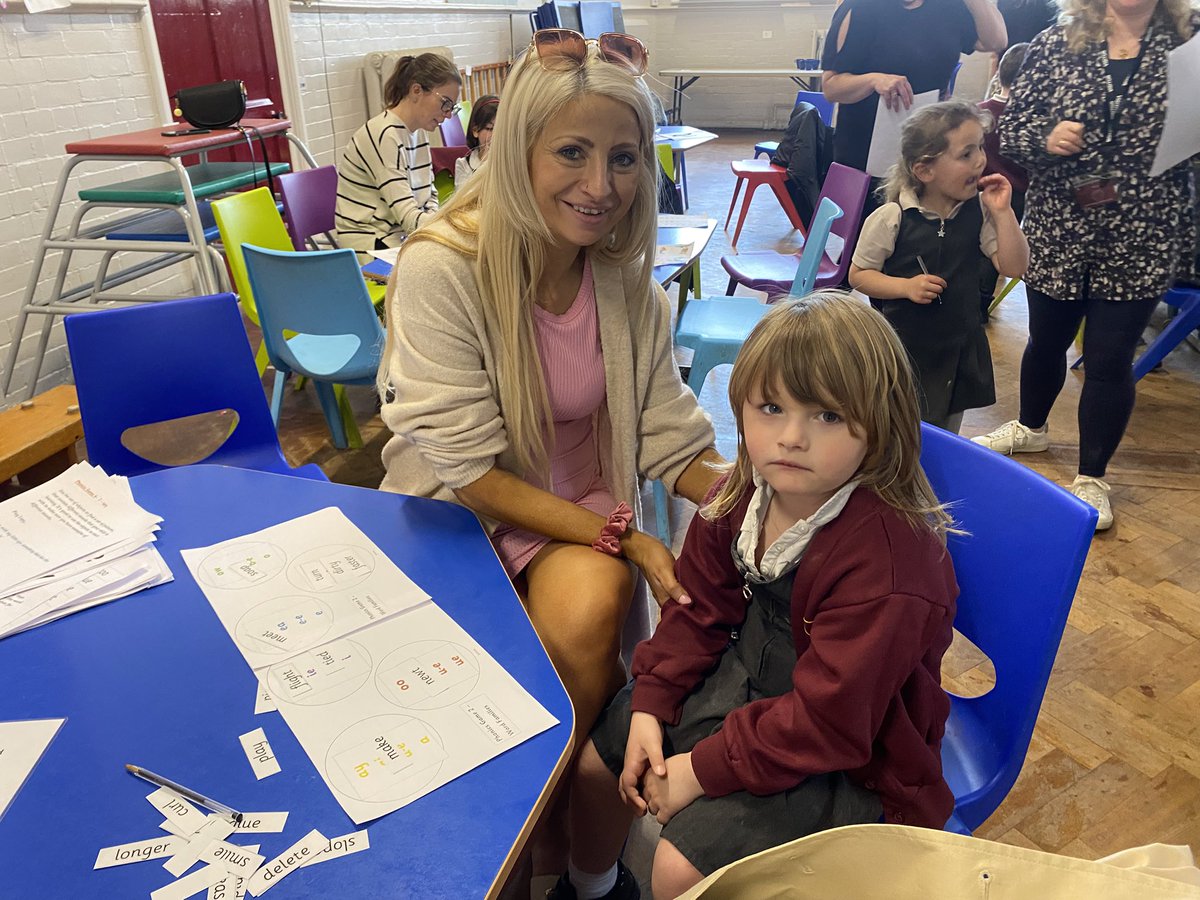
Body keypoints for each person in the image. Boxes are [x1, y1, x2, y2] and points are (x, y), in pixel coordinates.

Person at [376, 27, 721, 882]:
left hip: (579, 514)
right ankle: (540, 841)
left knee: (583, 625)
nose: (600, 186)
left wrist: (771, 491)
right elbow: (470, 471)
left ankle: (565, 851)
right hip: (465, 513)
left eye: (625, 159)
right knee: (536, 672)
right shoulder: (442, 269)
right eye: (573, 152)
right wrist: (633, 536)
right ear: (517, 148)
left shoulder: (623, 281)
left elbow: (669, 431)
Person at [550, 292, 959, 900]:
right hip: (749, 683)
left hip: (853, 756)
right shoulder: (739, 496)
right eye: (771, 407)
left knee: (683, 868)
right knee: (593, 762)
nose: (790, 437)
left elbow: (832, 722)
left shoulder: (890, 565)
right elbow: (697, 612)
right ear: (740, 407)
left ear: (882, 422)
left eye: (827, 416)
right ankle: (595, 888)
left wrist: (697, 771)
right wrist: (650, 703)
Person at [971, 0, 1200, 531]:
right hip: (1061, 224)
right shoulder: (1058, 42)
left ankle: (1092, 476)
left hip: (1143, 230)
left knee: (1109, 358)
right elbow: (1013, 131)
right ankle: (1030, 427)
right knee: (1046, 340)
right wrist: (1046, 139)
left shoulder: (1190, 45)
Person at [848, 100, 1030, 433]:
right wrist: (905, 287)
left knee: (945, 433)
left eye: (980, 149)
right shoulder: (894, 217)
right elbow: (859, 275)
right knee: (897, 431)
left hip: (957, 347)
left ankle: (929, 485)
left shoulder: (979, 213)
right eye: (965, 154)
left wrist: (1004, 213)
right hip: (904, 350)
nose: (979, 161)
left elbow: (1015, 266)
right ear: (924, 170)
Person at [821, 0, 1008, 216]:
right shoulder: (860, 7)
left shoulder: (948, 7)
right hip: (867, 150)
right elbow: (831, 87)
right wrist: (873, 80)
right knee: (873, 232)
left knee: (920, 229)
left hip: (929, 147)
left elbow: (996, 41)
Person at [335, 53, 462, 256]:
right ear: (416, 90)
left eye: (451, 107)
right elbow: (407, 217)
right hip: (370, 242)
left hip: (398, 236)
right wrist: (452, 231)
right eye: (445, 103)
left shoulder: (418, 132)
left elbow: (429, 196)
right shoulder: (384, 134)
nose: (448, 114)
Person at [979, 42, 1031, 320]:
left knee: (982, 244)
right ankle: (983, 299)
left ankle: (978, 297)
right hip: (1014, 194)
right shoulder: (1029, 120)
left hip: (975, 188)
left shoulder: (979, 111)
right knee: (997, 246)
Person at [454, 94, 499, 187]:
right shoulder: (463, 165)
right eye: (490, 128)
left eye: (501, 128)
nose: (496, 135)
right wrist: (485, 165)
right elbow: (464, 200)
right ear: (475, 130)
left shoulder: (511, 161)